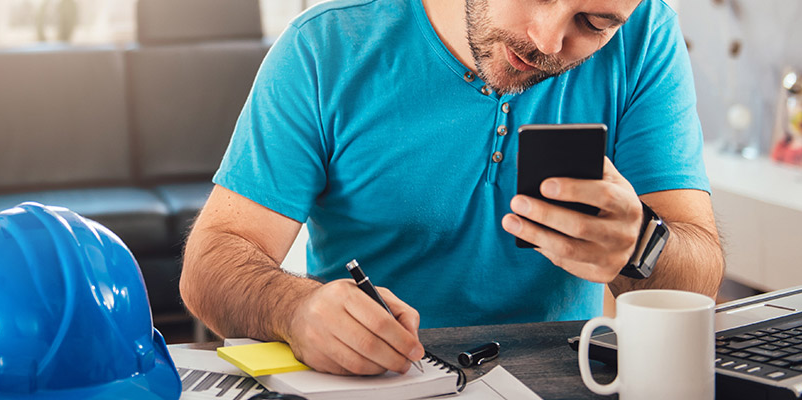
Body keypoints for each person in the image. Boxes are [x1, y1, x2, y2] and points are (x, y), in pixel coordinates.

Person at [180, 0, 724, 376]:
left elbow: (698, 277)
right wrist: (294, 310)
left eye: (593, 22)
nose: (548, 40)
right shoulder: (324, 47)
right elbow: (210, 264)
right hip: (375, 383)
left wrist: (641, 247)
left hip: (563, 380)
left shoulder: (645, 36)